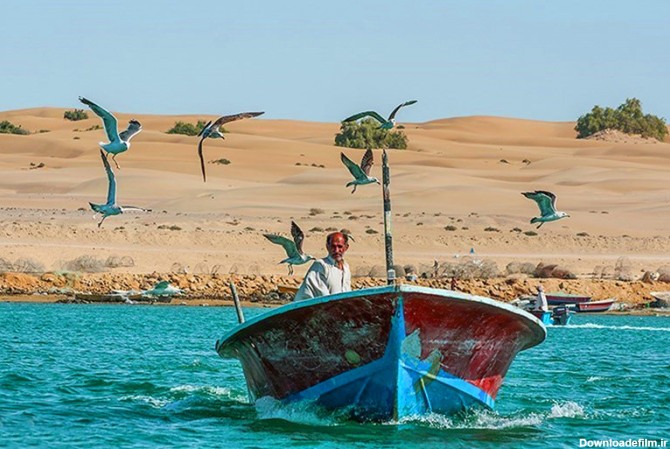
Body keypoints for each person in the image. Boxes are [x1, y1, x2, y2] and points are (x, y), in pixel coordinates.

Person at [294, 231, 351, 301]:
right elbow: (324, 299)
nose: (336, 250)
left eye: (340, 246)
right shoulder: (321, 266)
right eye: (333, 246)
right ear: (327, 247)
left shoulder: (346, 268)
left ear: (346, 247)